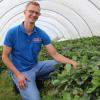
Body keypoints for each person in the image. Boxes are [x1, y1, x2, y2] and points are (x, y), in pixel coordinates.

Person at [2, 1, 78, 100]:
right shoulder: (12, 33)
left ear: (39, 15)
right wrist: (18, 74)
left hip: (36, 66)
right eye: (31, 11)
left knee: (60, 64)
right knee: (35, 98)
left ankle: (37, 79)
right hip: (21, 71)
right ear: (25, 12)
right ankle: (21, 81)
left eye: (37, 13)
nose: (34, 14)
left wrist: (72, 62)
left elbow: (55, 55)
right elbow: (4, 56)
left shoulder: (41, 34)